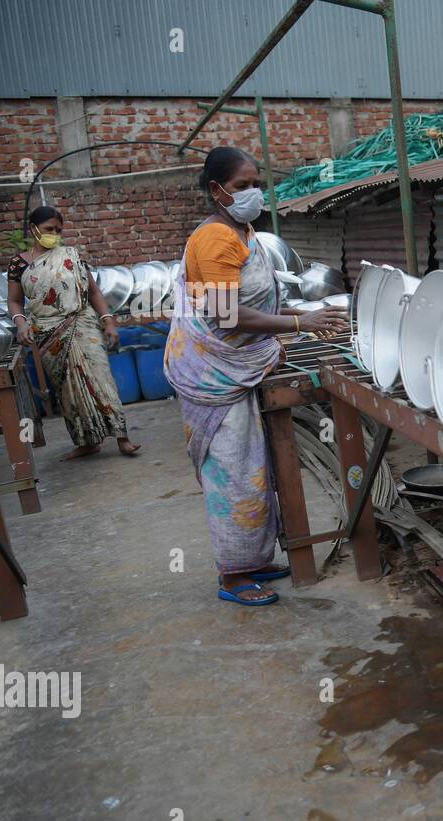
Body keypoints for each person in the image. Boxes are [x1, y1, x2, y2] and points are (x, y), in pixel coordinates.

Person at [165, 146, 346, 607]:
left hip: (235, 364)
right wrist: (300, 324)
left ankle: (255, 558)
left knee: (254, 468)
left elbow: (252, 303)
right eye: (242, 185)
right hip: (214, 372)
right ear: (216, 190)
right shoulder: (215, 239)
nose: (253, 192)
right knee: (234, 474)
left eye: (255, 182)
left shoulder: (242, 230)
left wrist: (300, 312)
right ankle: (233, 573)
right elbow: (226, 316)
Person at [6, 206, 142, 460]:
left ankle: (122, 437)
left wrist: (109, 321)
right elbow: (14, 301)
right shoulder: (19, 263)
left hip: (83, 325)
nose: (55, 234)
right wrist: (21, 323)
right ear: (32, 229)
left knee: (103, 379)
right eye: (49, 229)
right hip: (49, 333)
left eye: (58, 230)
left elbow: (93, 292)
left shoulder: (71, 255)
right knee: (67, 391)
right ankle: (86, 442)